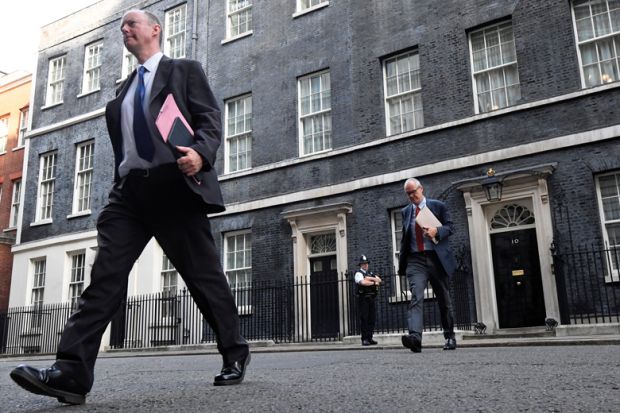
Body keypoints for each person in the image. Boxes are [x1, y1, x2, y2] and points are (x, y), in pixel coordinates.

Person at [9, 9, 249, 405]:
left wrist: (202, 155)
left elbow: (209, 119)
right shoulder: (122, 90)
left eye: (131, 23)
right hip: (131, 195)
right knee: (104, 277)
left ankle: (235, 352)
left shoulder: (183, 69)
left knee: (203, 277)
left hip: (174, 186)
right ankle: (71, 372)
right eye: (121, 26)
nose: (125, 29)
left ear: (156, 29)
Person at [398, 178, 457, 353]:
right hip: (415, 260)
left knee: (444, 300)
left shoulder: (438, 206)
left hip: (436, 258)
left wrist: (436, 231)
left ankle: (450, 337)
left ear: (421, 189)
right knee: (416, 297)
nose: (411, 196)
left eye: (413, 192)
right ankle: (415, 337)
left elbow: (451, 227)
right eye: (408, 193)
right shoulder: (405, 211)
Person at [354, 255, 382, 346]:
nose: (365, 265)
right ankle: (364, 339)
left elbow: (379, 280)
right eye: (363, 264)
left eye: (366, 263)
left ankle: (370, 338)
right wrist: (374, 282)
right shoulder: (358, 274)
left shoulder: (370, 273)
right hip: (363, 299)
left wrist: (369, 278)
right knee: (364, 319)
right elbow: (362, 282)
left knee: (372, 319)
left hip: (371, 298)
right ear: (360, 265)